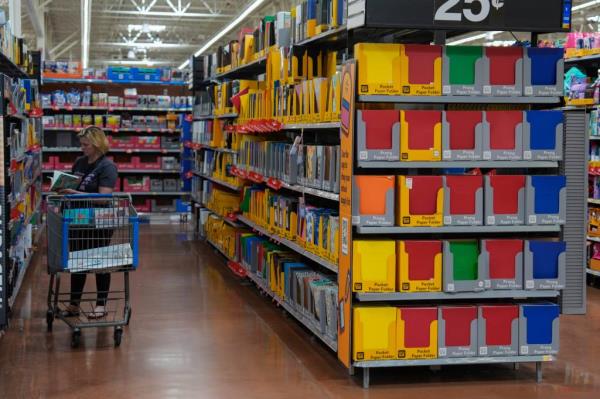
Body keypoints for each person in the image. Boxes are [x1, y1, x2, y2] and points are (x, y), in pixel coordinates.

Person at [61, 126, 118, 318]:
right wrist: (63, 185)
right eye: (81, 144)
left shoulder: (107, 167)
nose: (82, 147)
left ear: (96, 145)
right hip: (78, 218)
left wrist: (75, 194)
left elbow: (103, 198)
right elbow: (74, 181)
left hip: (99, 221)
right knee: (79, 261)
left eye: (86, 144)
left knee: (99, 262)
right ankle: (74, 304)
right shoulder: (80, 162)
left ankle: (101, 304)